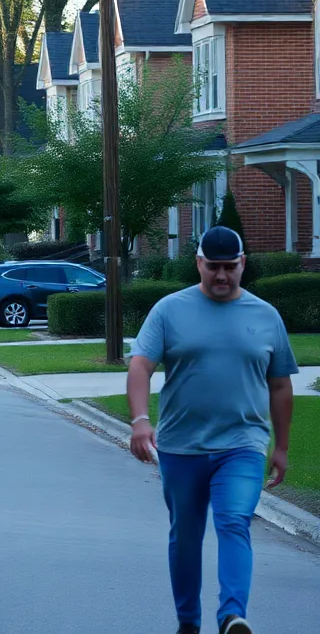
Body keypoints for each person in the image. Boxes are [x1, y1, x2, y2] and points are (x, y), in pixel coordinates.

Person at [127, 227, 297, 634]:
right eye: (213, 267)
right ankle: (188, 622)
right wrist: (140, 419)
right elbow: (140, 366)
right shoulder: (170, 310)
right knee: (185, 536)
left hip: (243, 443)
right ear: (198, 263)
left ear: (242, 264)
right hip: (182, 446)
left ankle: (231, 616)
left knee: (235, 520)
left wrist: (282, 447)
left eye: (230, 267)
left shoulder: (266, 315)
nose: (221, 276)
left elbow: (280, 385)